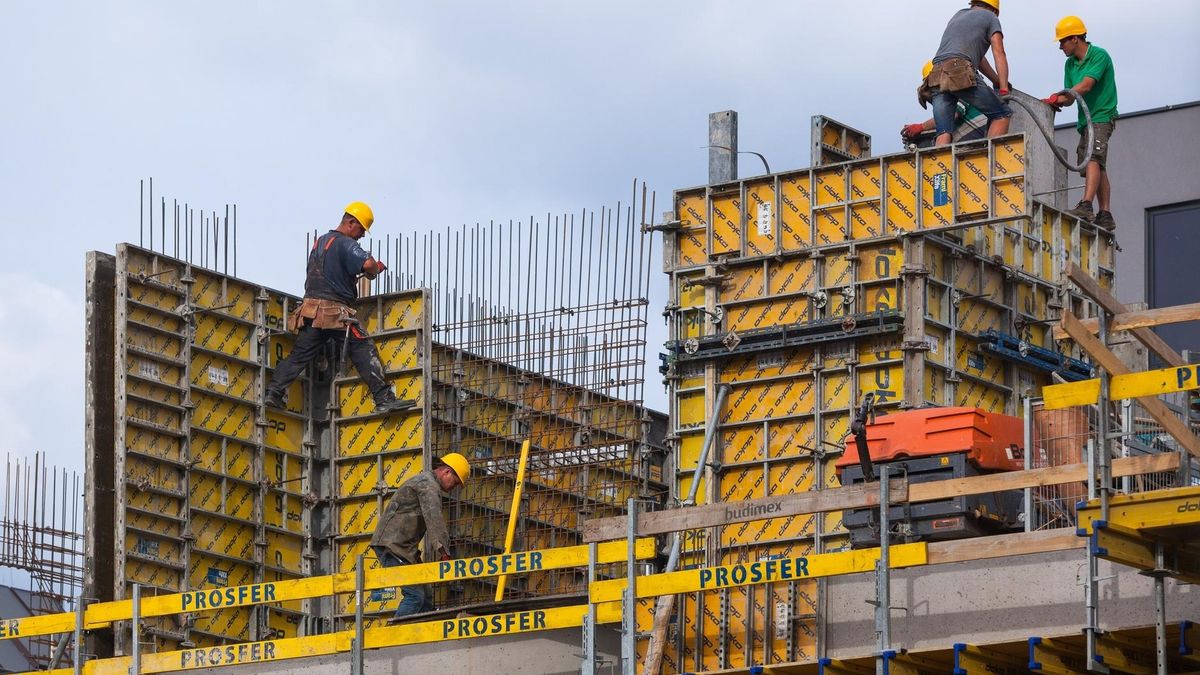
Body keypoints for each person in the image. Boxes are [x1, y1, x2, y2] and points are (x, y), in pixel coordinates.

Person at [264, 202, 414, 412]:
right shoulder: (345, 243)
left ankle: (274, 392)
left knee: (299, 356)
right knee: (363, 348)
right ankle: (383, 398)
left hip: (311, 312)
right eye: (361, 229)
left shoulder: (320, 242)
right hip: (335, 314)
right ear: (351, 222)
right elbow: (368, 264)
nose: (362, 235)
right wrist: (374, 269)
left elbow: (332, 272)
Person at [370, 453, 470, 620]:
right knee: (415, 596)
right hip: (392, 547)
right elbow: (434, 519)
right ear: (447, 472)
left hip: (403, 549)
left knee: (426, 597)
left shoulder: (427, 483)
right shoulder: (427, 485)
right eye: (455, 482)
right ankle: (395, 632)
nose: (455, 487)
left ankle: (420, 632)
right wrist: (444, 553)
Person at [1044, 16, 1118, 230]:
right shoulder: (1070, 64)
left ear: (1075, 38)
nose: (1060, 46)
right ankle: (1105, 214)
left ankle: (1086, 205)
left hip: (1102, 116)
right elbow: (1070, 98)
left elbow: (1085, 86)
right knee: (1095, 164)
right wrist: (1053, 101)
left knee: (1093, 157)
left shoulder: (1099, 55)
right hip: (1086, 121)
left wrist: (1059, 96)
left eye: (1062, 41)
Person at [920, 0, 1012, 147]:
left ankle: (941, 162)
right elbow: (999, 52)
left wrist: (996, 80)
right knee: (1002, 115)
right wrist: (1004, 88)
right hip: (959, 70)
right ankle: (990, 159)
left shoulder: (958, 15)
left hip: (935, 75)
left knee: (944, 132)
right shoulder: (991, 17)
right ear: (994, 10)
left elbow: (980, 60)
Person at [904, 61, 988, 146]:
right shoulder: (946, 103)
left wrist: (921, 127)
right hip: (972, 147)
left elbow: (951, 115)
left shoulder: (959, 90)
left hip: (982, 141)